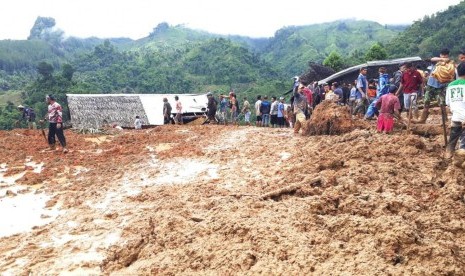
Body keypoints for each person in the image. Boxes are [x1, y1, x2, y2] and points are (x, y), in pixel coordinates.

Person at [417, 48, 453, 123]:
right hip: (430, 85)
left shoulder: (449, 63)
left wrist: (445, 60)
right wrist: (442, 59)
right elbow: (431, 59)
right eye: (442, 55)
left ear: (447, 55)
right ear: (440, 55)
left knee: (442, 104)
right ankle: (422, 120)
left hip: (440, 87)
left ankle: (445, 120)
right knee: (426, 102)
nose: (444, 57)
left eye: (445, 56)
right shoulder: (437, 61)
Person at [445, 62, 465, 158]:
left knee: (453, 139)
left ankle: (448, 154)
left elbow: (448, 103)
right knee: (463, 142)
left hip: (456, 117)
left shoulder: (451, 85)